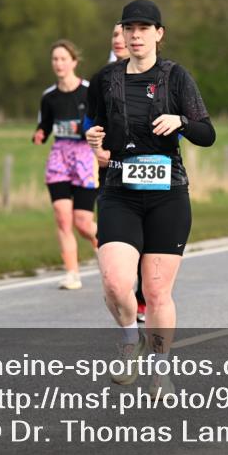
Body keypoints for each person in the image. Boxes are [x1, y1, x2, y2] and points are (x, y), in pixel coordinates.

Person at [86, 0, 215, 397]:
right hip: (120, 192)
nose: (136, 35)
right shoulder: (105, 80)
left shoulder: (176, 78)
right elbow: (93, 128)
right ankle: (130, 340)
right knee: (115, 282)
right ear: (122, 34)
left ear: (159, 33)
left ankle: (161, 370)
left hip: (167, 195)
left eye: (144, 28)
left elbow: (207, 133)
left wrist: (182, 121)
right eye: (130, 28)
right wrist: (93, 140)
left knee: (157, 291)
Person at [89, 23, 147, 321]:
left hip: (151, 171)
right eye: (114, 34)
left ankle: (142, 295)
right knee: (118, 233)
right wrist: (97, 148)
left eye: (122, 32)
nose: (120, 38)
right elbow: (89, 122)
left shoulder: (154, 73)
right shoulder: (101, 79)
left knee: (145, 237)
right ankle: (120, 288)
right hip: (111, 171)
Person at [33, 40, 98, 290]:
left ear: (74, 61)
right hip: (59, 155)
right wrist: (40, 133)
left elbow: (100, 123)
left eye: (63, 59)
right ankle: (72, 274)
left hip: (85, 157)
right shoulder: (49, 97)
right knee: (62, 218)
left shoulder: (89, 92)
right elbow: (46, 125)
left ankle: (105, 248)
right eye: (55, 59)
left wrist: (86, 132)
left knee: (82, 221)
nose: (58, 64)